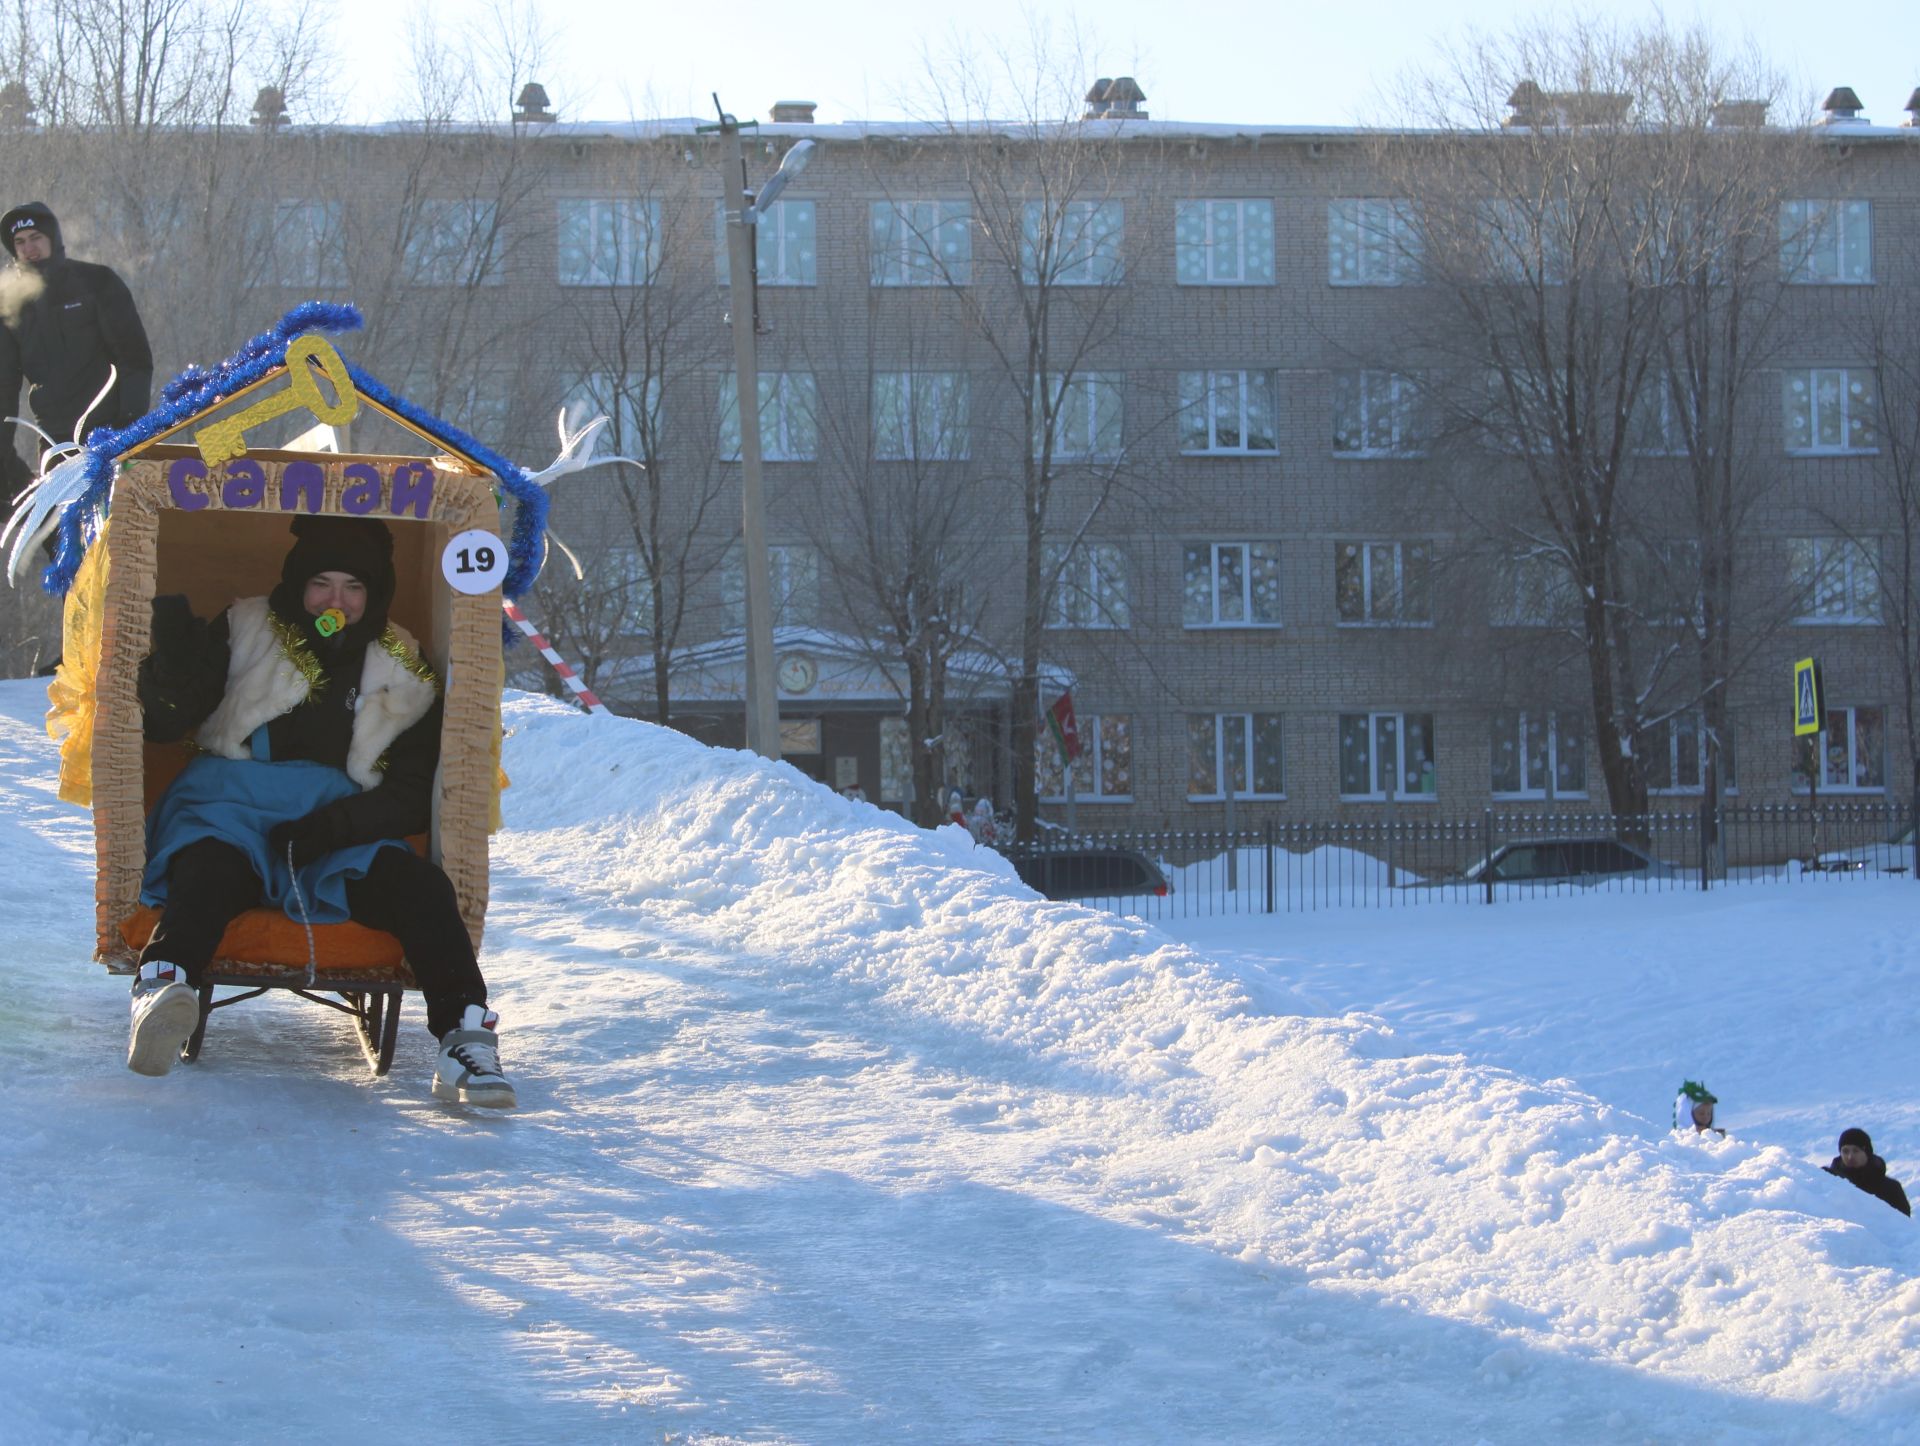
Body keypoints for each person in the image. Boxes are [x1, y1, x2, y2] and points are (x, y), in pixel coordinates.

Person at [130, 515, 515, 1108]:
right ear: (297, 583)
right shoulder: (245, 625)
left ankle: (464, 1033)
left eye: (354, 587)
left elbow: (412, 789)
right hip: (229, 800)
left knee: (420, 888)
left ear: (374, 593)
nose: (336, 600)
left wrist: (333, 828)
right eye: (322, 583)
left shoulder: (402, 664)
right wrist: (173, 671)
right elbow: (167, 722)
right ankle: (165, 988)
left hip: (333, 821)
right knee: (207, 870)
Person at [0, 201, 153, 496]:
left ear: (52, 238)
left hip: (109, 432)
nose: (29, 248)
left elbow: (134, 358)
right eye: (20, 242)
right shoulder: (10, 306)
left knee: (119, 526)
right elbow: (4, 388)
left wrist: (129, 426)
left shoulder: (96, 282)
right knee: (60, 533)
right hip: (54, 439)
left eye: (36, 238)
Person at [1824, 1128, 1911, 1217]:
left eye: (1856, 1151)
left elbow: (1904, 1226)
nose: (1850, 1157)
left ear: (1867, 1152)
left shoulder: (1891, 1188)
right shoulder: (1825, 1180)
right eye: (1845, 1151)